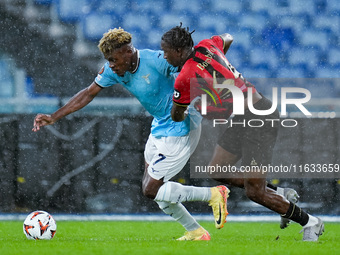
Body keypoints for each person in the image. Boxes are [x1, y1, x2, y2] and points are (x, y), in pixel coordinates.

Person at [32, 28, 229, 241]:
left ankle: (213, 194)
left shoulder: (156, 61)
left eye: (114, 59)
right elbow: (88, 93)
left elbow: (194, 69)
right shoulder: (113, 69)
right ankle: (195, 231)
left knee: (151, 189)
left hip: (181, 127)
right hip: (160, 126)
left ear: (128, 51)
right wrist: (54, 117)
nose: (111, 65)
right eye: (108, 60)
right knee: (153, 189)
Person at [161, 24, 324, 241]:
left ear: (179, 51)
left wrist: (187, 108)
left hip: (259, 118)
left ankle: (311, 222)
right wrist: (221, 64)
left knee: (254, 192)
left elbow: (176, 115)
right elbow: (227, 37)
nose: (164, 56)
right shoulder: (208, 45)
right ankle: (279, 193)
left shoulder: (185, 77)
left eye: (166, 51)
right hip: (246, 115)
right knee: (216, 169)